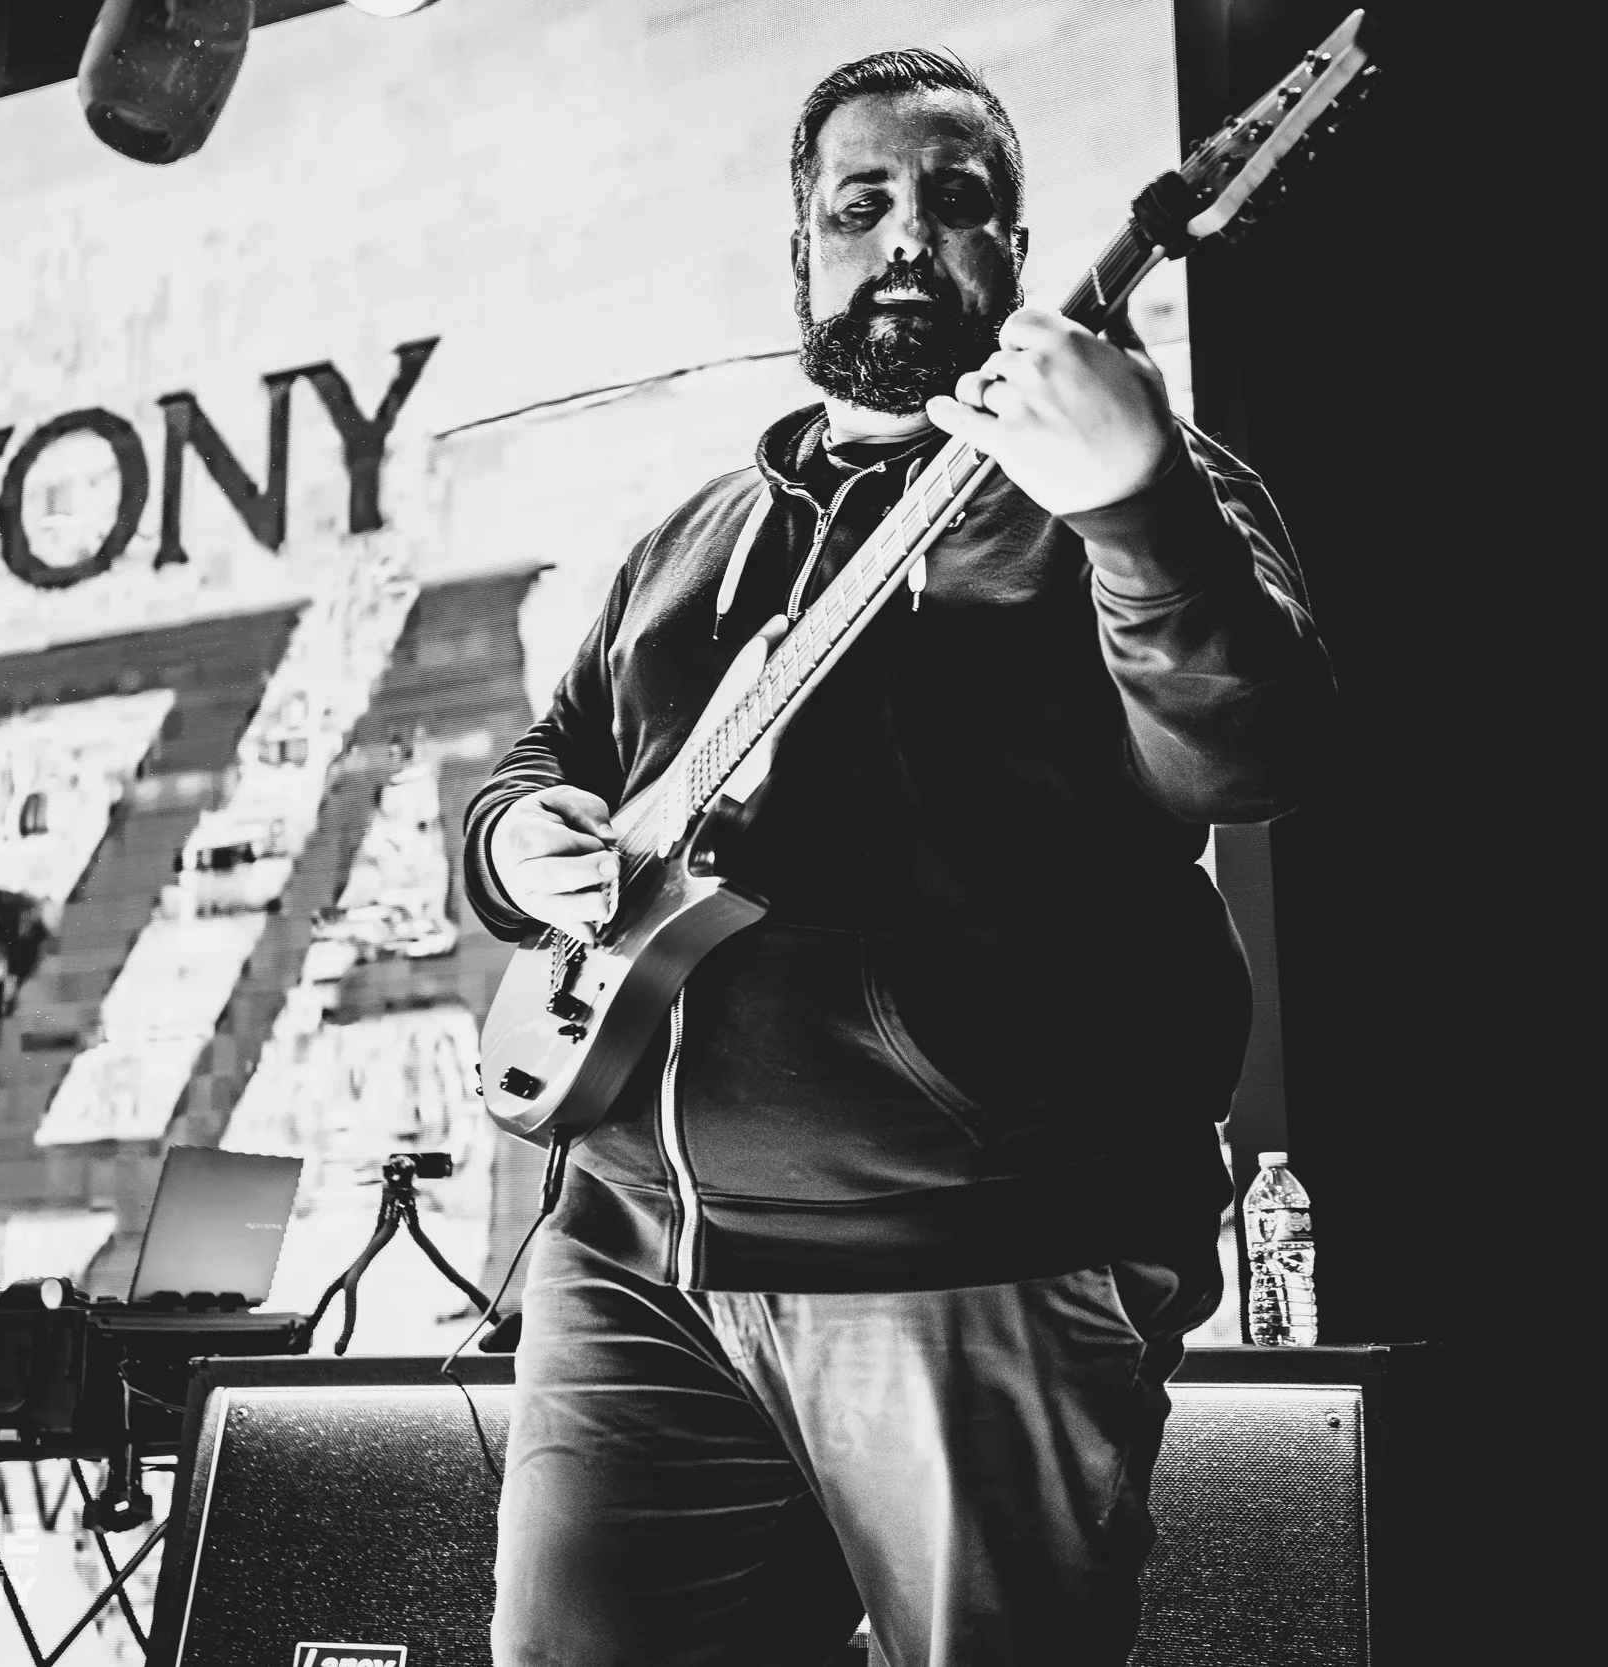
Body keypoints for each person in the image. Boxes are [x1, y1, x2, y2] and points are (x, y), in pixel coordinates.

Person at [463, 48, 1334, 1666]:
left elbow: (1255, 757)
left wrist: (1137, 503)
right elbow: (549, 761)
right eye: (860, 205)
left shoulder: (1142, 487)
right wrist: (521, 842)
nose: (910, 236)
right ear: (804, 251)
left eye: (960, 201)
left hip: (982, 1250)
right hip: (631, 1258)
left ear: (1020, 250)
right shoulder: (688, 543)